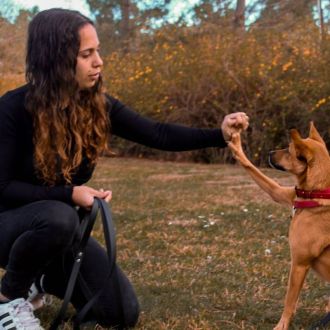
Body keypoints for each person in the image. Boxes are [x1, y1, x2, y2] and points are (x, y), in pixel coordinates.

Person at [0, 8, 249, 330]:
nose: (98, 61)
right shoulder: (12, 109)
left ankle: (40, 277)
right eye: (86, 54)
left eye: (98, 51)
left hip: (59, 235)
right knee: (58, 215)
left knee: (120, 312)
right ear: (55, 59)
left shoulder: (96, 105)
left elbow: (157, 133)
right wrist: (70, 193)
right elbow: (2, 186)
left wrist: (219, 134)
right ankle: (8, 299)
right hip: (9, 227)